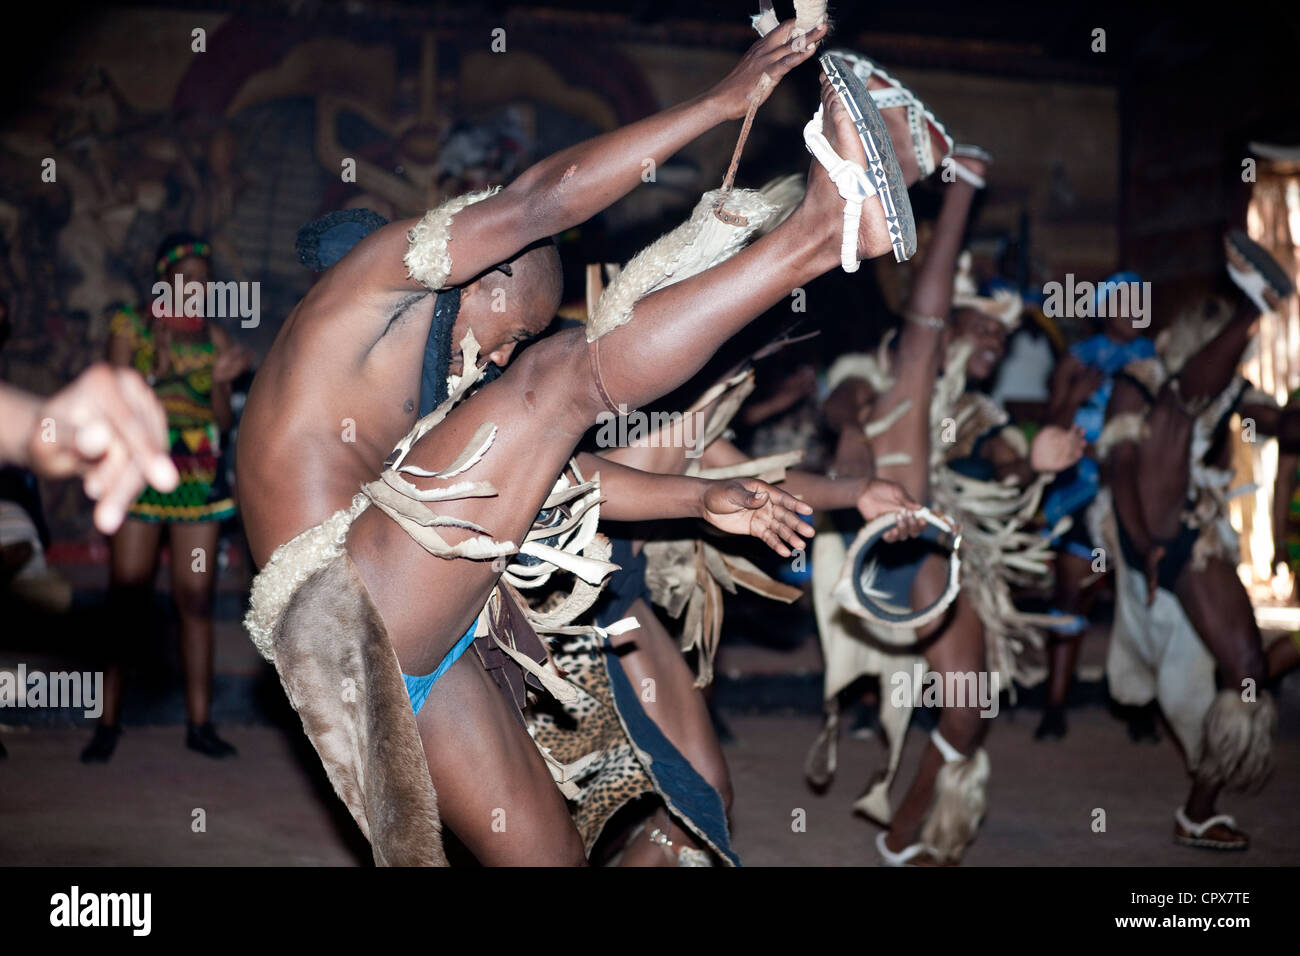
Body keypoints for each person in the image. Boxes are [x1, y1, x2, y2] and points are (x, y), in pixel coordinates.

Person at [236, 26, 951, 865]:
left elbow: (560, 477)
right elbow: (542, 201)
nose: (498, 358)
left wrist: (703, 499)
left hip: (415, 657)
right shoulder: (369, 285)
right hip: (342, 607)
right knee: (562, 375)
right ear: (477, 272)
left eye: (510, 346)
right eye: (508, 330)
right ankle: (821, 230)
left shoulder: (433, 416)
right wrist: (722, 102)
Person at [806, 150, 1086, 865]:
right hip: (889, 549)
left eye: (1004, 334)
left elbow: (1004, 460)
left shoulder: (982, 412)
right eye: (983, 329)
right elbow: (847, 398)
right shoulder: (887, 374)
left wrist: (1037, 462)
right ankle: (963, 186)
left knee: (968, 712)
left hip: (941, 559)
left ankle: (902, 838)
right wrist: (851, 438)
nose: (998, 340)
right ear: (947, 324)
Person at [1093, 230, 1295, 850]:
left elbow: (1282, 423)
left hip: (1192, 540)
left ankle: (1198, 812)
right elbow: (1122, 472)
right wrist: (1141, 546)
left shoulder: (1230, 394)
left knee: (1246, 673)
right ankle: (1256, 302)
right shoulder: (1143, 382)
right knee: (1177, 407)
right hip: (1143, 531)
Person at [82, 234, 253, 763]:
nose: (196, 286)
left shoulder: (215, 337)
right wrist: (157, 369)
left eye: (204, 277)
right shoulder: (130, 326)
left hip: (197, 477)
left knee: (195, 599)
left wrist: (222, 384)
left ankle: (199, 724)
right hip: (140, 469)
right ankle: (107, 723)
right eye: (187, 276)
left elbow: (223, 421)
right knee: (127, 596)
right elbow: (117, 392)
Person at [1036, 272, 1157, 740]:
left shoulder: (1156, 361)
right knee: (1071, 595)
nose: (1133, 308)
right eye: (1124, 300)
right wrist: (1076, 397)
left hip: (1139, 494)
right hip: (1081, 487)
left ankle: (1142, 705)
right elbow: (1050, 427)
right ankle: (1054, 705)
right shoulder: (1077, 360)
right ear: (1104, 308)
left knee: (1145, 599)